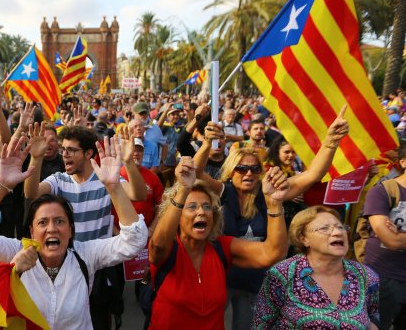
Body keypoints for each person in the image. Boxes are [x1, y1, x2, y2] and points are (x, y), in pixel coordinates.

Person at [0, 135, 148, 330]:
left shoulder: (86, 254)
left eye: (59, 221)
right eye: (43, 222)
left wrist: (114, 187)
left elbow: (134, 241)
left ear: (70, 230)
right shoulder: (17, 251)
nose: (52, 228)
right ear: (32, 231)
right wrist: (1, 184)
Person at [193, 106, 349, 329]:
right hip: (221, 277)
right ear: (231, 171)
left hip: (257, 280)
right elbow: (197, 173)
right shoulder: (222, 191)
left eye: (255, 169)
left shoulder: (270, 191)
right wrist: (207, 143)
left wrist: (331, 142)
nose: (248, 173)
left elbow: (313, 174)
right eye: (242, 168)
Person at [147, 156, 289, 329]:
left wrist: (274, 205)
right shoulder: (168, 250)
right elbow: (157, 245)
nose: (201, 212)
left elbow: (273, 253)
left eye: (207, 207)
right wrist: (184, 190)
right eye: (191, 207)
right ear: (177, 215)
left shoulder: (222, 247)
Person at [253, 206, 380, 329]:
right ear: (303, 239)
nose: (337, 232)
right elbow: (261, 324)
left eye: (340, 227)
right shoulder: (282, 275)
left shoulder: (366, 275)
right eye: (324, 228)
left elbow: (373, 317)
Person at [362, 140, 406, 330]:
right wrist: (396, 238)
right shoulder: (382, 191)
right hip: (386, 277)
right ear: (403, 162)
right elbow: (391, 240)